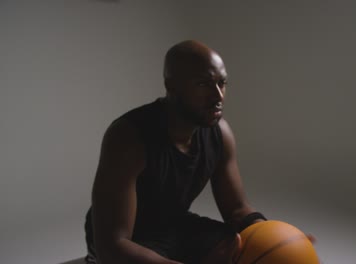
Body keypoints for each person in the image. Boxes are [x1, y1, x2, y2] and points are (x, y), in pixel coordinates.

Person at [84, 40, 269, 264]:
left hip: (173, 225)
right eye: (204, 84)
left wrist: (274, 238)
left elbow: (237, 210)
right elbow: (114, 245)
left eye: (222, 83)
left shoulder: (221, 134)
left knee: (238, 245)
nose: (218, 96)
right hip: (126, 238)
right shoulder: (128, 137)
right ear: (171, 86)